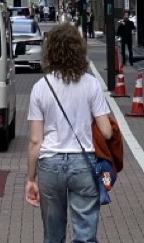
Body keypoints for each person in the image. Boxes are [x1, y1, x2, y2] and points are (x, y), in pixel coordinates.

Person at [26, 22, 113, 243]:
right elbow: (107, 131)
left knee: (53, 235)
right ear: (78, 49)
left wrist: (30, 178)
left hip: (50, 164)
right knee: (85, 234)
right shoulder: (91, 84)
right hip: (84, 163)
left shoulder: (40, 87)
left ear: (50, 51)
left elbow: (36, 141)